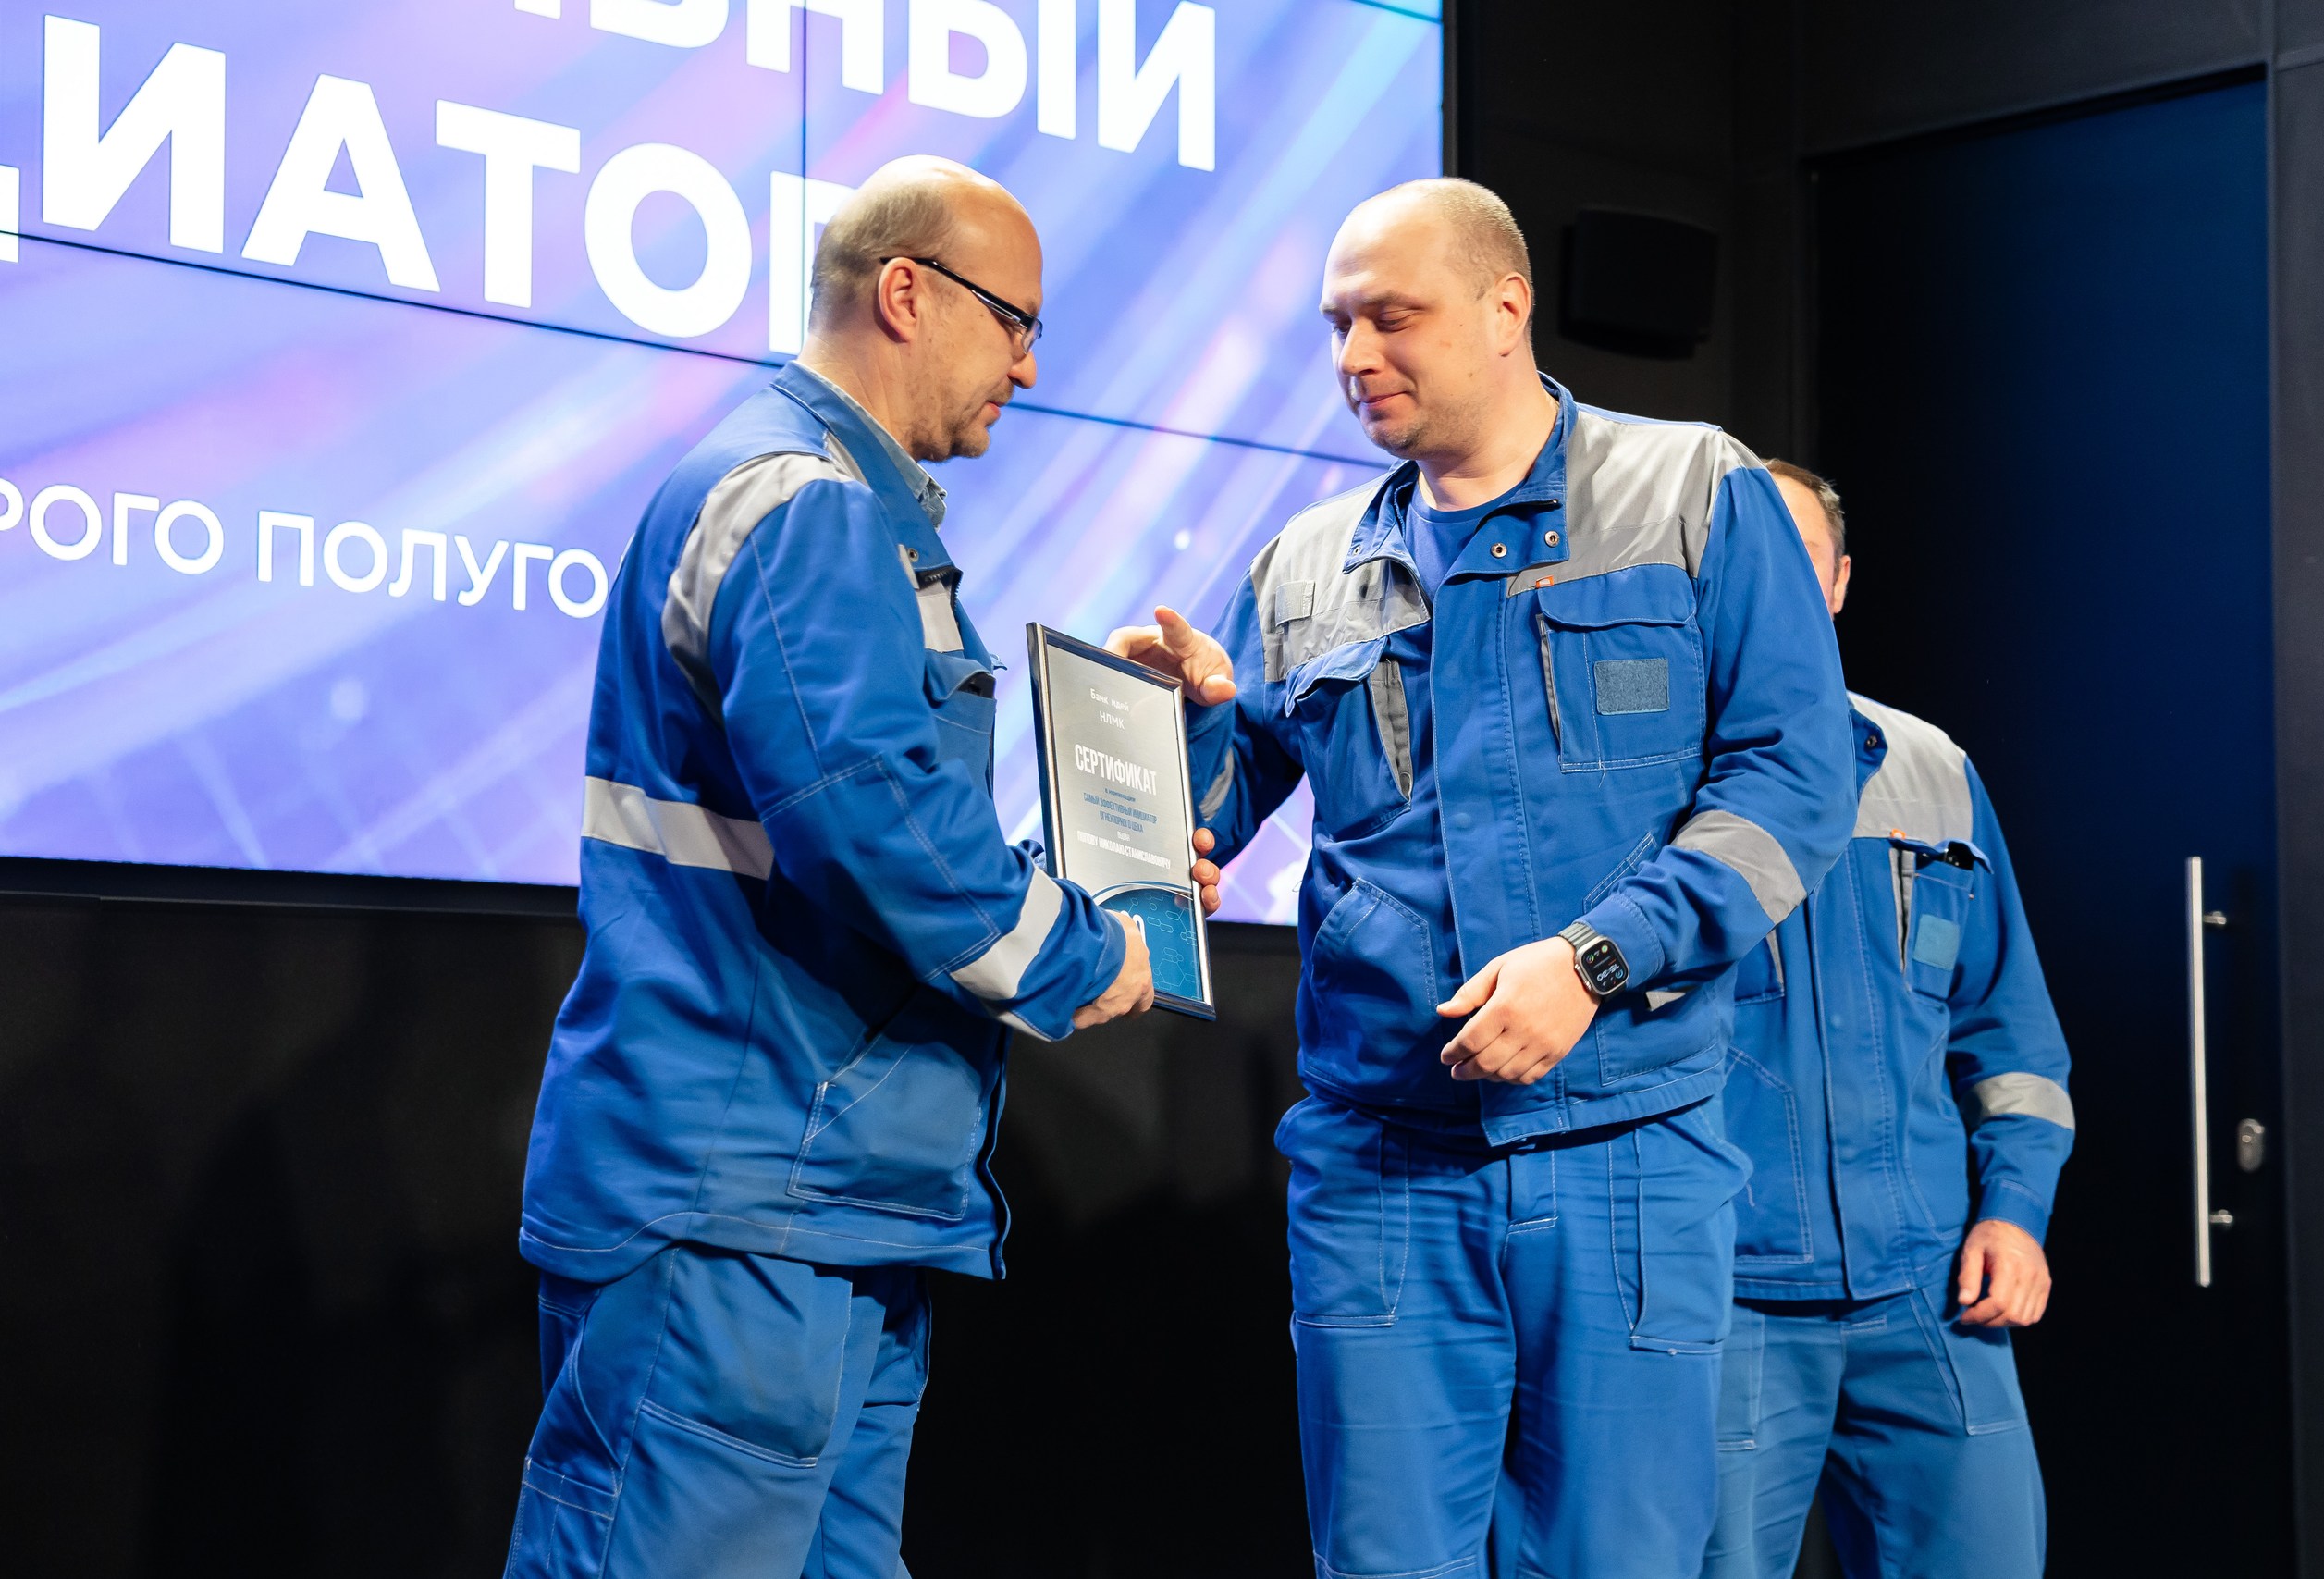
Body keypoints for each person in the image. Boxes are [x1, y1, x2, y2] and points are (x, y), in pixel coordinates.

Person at [1110, 179, 1857, 1577]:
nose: (1354, 356)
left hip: (1629, 1156)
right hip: (1382, 1166)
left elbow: (1795, 783)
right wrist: (1173, 731)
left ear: (1506, 306)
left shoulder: (1692, 492)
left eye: (1391, 317)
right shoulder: (1304, 568)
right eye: (1337, 325)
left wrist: (1594, 961)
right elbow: (1200, 835)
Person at [501, 156, 1200, 1579]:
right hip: (740, 1202)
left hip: (817, 1204)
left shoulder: (839, 510)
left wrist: (1108, 827)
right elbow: (875, 830)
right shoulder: (803, 502)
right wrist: (1089, 949)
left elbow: (870, 835)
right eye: (1015, 322)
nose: (1028, 364)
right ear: (906, 293)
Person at [1700, 462, 2072, 1579]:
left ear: (1839, 582)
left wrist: (2014, 1211)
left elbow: (2009, 1035)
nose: (1770, 587)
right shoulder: (1637, 784)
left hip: (1931, 1294)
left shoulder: (1931, 771)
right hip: (1723, 1298)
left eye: (1797, 562)